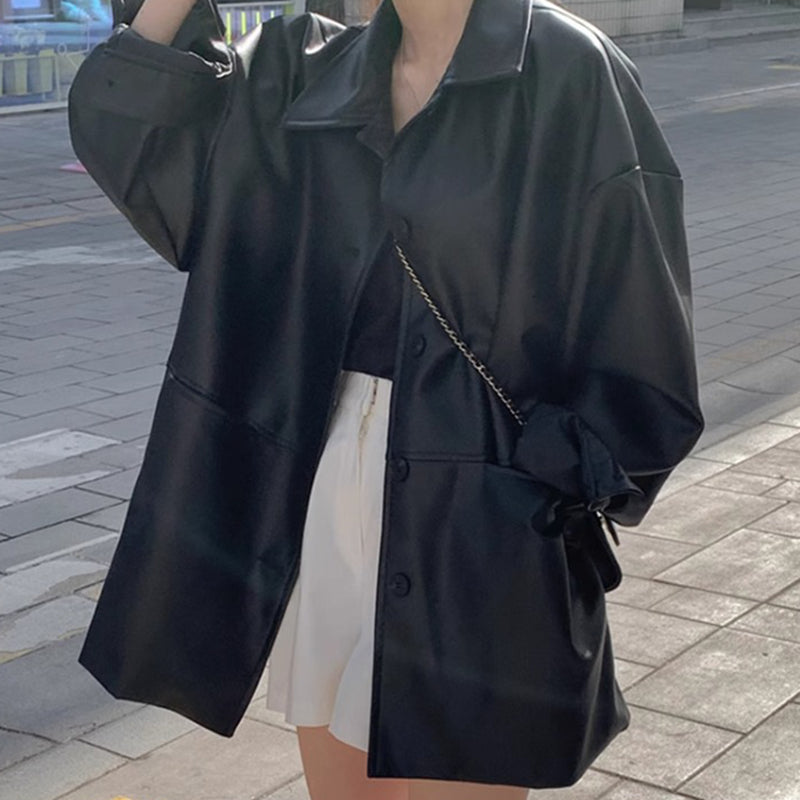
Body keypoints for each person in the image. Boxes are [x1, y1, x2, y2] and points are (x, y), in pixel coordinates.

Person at [68, 0, 704, 798]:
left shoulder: (566, 68)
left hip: (481, 506)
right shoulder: (298, 67)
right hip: (327, 479)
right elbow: (134, 140)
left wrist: (539, 491)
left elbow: (641, 340)